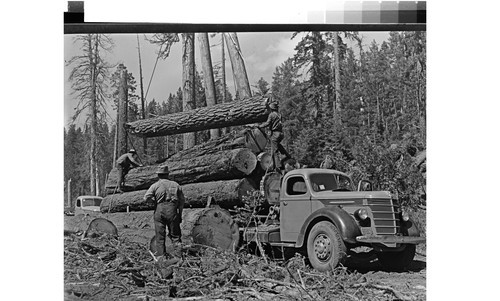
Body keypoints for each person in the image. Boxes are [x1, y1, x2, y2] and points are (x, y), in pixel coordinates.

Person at [144, 165, 185, 260]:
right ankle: (178, 258)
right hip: (172, 211)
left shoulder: (155, 185)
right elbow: (182, 201)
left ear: (158, 175)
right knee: (176, 236)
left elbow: (146, 198)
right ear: (168, 174)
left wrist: (154, 202)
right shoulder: (176, 185)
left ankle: (161, 258)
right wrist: (180, 214)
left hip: (159, 210)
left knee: (160, 236)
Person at [260, 98, 291, 171]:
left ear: (271, 108)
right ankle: (288, 156)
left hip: (275, 134)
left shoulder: (271, 115)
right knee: (278, 146)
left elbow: (267, 123)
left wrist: (260, 126)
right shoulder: (279, 115)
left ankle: (278, 166)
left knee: (274, 151)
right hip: (280, 133)